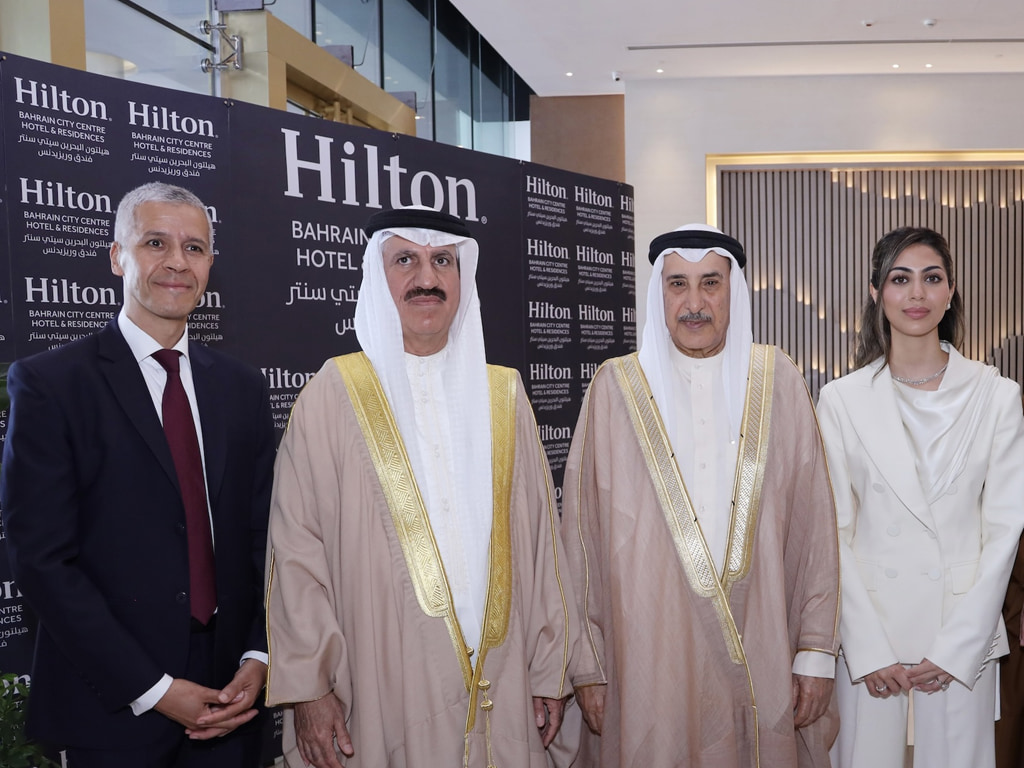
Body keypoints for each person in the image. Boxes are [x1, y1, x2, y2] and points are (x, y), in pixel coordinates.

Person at [265, 206, 578, 768]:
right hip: (383, 683)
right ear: (376, 275)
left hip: (504, 680)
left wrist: (549, 668)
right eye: (405, 260)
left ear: (462, 277)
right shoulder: (331, 395)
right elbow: (295, 555)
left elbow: (542, 546)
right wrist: (310, 688)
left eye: (442, 262)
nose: (426, 278)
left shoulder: (505, 396)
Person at [1, 182, 275, 766]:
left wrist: (259, 655)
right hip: (112, 703)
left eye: (194, 247)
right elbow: (41, 559)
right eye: (155, 243)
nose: (177, 262)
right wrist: (155, 690)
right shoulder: (52, 384)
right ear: (117, 257)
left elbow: (266, 539)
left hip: (233, 698)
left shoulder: (242, 387)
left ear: (210, 264)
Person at [561, 223, 840, 767]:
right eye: (678, 284)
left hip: (761, 638)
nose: (694, 303)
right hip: (649, 652)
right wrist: (588, 666)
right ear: (658, 294)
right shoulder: (615, 388)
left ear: (733, 291)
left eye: (710, 283)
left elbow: (815, 528)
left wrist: (814, 652)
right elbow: (581, 538)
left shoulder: (778, 380)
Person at [817, 226, 1024, 768]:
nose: (916, 294)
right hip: (871, 632)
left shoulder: (996, 395)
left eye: (932, 279)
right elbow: (833, 534)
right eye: (899, 279)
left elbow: (1003, 532)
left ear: (950, 292)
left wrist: (960, 646)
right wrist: (866, 647)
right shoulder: (840, 400)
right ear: (875, 292)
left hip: (960, 629)